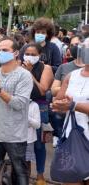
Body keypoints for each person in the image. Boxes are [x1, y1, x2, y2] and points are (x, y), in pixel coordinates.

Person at [0, 37, 33, 184]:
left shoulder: (24, 75)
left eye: (5, 50)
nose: (1, 53)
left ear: (15, 53)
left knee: (20, 173)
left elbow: (19, 104)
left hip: (15, 135)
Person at [51, 41, 89, 185]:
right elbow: (58, 103)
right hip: (72, 137)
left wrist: (73, 105)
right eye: (85, 49)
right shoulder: (71, 76)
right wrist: (59, 105)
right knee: (71, 179)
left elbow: (71, 105)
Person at [21, 43, 54, 185]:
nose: (29, 56)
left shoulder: (45, 68)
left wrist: (29, 73)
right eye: (27, 53)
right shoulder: (19, 66)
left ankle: (40, 176)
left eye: (33, 54)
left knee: (39, 145)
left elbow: (42, 90)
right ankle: (26, 175)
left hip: (39, 109)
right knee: (24, 143)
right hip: (22, 107)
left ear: (39, 55)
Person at [26, 100, 41, 178]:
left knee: (27, 162)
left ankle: (26, 181)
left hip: (29, 140)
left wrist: (27, 118)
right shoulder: (16, 101)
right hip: (15, 139)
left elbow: (38, 125)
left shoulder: (34, 105)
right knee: (15, 163)